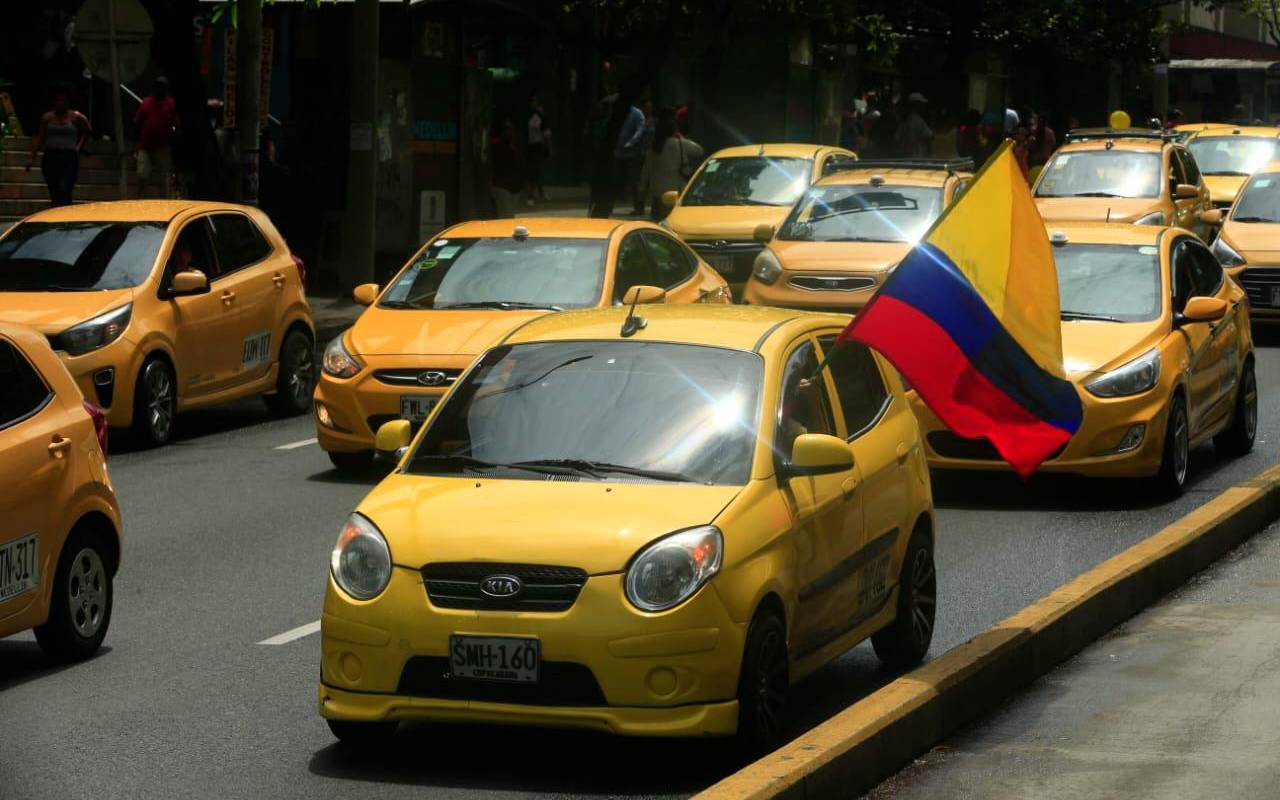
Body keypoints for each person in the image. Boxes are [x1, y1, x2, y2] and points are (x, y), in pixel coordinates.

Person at [27, 84, 90, 207]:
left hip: (69, 157)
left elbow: (87, 131)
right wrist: (31, 157)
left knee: (65, 188)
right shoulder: (47, 118)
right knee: (54, 189)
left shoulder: (76, 116)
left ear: (68, 102)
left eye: (63, 100)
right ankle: (55, 214)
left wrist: (79, 146)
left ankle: (65, 214)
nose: (60, 103)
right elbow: (40, 138)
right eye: (57, 100)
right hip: (51, 157)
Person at [639, 106, 704, 221]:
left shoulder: (654, 147)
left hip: (657, 195)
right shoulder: (678, 143)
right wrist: (681, 137)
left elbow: (646, 171)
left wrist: (642, 189)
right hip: (675, 192)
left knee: (659, 224)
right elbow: (699, 150)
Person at [133, 76, 178, 199]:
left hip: (163, 147)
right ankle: (140, 202)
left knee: (165, 178)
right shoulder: (146, 102)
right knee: (142, 175)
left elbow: (176, 123)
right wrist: (136, 145)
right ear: (154, 88)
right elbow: (137, 123)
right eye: (158, 86)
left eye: (163, 86)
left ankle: (165, 203)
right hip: (145, 147)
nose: (160, 89)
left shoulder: (171, 104)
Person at [490, 118, 525, 218]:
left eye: (511, 129)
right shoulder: (497, 144)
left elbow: (521, 164)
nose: (510, 132)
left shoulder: (515, 144)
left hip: (515, 186)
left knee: (509, 215)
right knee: (505, 215)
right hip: (502, 184)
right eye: (507, 129)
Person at [525, 95, 551, 204]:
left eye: (534, 101)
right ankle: (536, 193)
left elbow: (546, 132)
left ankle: (535, 194)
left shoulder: (540, 115)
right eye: (532, 101)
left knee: (537, 170)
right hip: (531, 145)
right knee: (534, 170)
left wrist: (548, 145)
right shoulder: (529, 115)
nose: (533, 103)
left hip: (538, 145)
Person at [897, 92, 933, 157]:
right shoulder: (918, 120)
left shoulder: (905, 119)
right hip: (917, 156)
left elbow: (897, 137)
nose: (923, 106)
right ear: (916, 105)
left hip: (905, 157)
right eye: (921, 104)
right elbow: (930, 136)